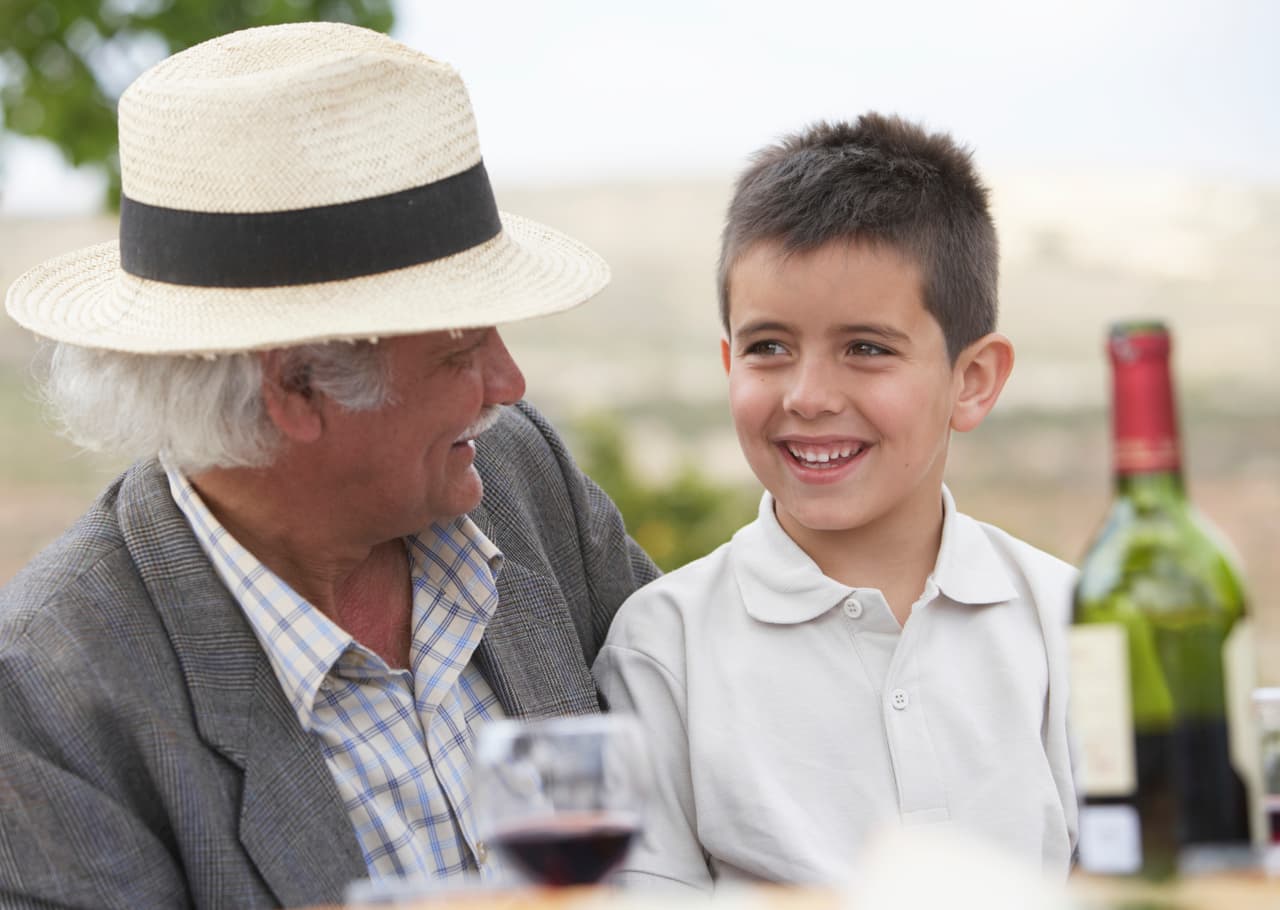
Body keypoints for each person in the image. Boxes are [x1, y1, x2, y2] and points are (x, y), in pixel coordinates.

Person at [0, 22, 658, 909]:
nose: (510, 382)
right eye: (462, 350)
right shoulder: (47, 699)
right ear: (297, 387)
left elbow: (704, 766)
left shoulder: (519, 478)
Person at [593, 114, 1078, 890]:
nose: (809, 396)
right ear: (728, 363)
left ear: (973, 380)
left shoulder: (1069, 623)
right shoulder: (664, 647)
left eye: (867, 348)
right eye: (768, 347)